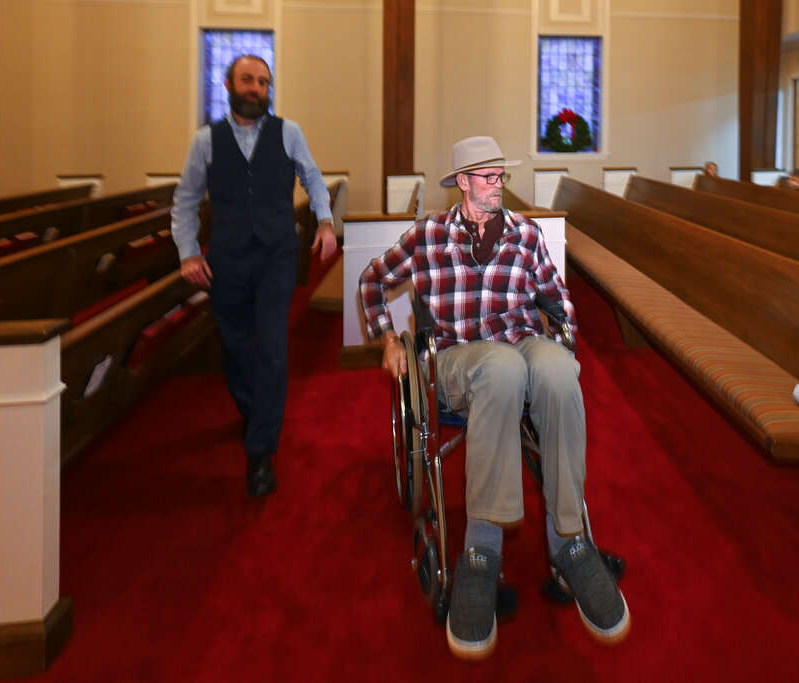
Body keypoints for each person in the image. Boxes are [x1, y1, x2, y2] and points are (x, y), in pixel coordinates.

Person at [359, 136, 630, 660]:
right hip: (460, 359)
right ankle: (481, 552)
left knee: (556, 369)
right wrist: (389, 340)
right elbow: (372, 283)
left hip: (521, 345)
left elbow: (556, 296)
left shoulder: (526, 235)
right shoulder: (428, 236)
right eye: (485, 177)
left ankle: (570, 539)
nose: (496, 185)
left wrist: (562, 335)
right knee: (501, 367)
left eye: (500, 176)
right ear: (462, 182)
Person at [170, 54, 338, 498]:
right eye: (248, 80)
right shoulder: (206, 140)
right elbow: (185, 201)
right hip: (226, 260)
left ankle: (260, 452)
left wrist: (324, 221)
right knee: (236, 348)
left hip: (276, 255)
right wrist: (188, 253)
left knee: (273, 345)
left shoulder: (289, 132)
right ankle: (256, 410)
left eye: (263, 82)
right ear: (229, 85)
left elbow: (314, 178)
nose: (256, 88)